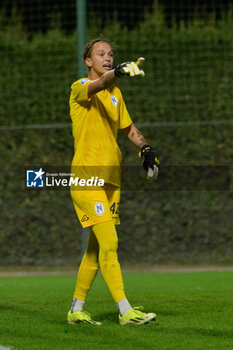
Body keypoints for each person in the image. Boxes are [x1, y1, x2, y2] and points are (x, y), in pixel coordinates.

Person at [67, 38, 160, 326]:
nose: (107, 57)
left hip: (111, 181)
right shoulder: (81, 87)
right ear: (88, 61)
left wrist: (145, 148)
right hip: (87, 179)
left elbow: (128, 126)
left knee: (95, 249)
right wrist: (117, 72)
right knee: (110, 242)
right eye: (100, 54)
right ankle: (125, 310)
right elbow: (97, 85)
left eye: (111, 54)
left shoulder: (116, 95)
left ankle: (76, 309)